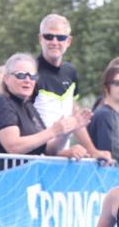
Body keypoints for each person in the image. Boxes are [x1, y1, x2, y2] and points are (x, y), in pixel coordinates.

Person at [33, 13, 107, 160]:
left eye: (60, 37)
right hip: (35, 159)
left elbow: (75, 118)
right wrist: (58, 152)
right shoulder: (30, 72)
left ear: (68, 41)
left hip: (61, 159)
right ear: (41, 39)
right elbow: (25, 121)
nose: (54, 42)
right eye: (49, 36)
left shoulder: (70, 71)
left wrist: (93, 151)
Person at [0, 52, 84, 157]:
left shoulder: (29, 106)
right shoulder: (2, 102)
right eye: (21, 75)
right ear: (7, 79)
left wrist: (65, 131)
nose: (28, 80)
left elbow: (49, 150)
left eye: (33, 76)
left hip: (30, 168)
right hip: (5, 168)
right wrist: (52, 131)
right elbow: (14, 147)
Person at [87, 66, 119, 171]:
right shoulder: (105, 115)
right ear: (106, 87)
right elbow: (114, 154)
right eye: (117, 83)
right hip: (104, 175)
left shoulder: (114, 115)